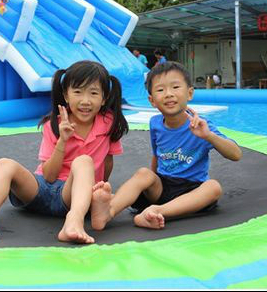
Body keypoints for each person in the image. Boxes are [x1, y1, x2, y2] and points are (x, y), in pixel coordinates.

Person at [0, 60, 128, 244]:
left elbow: (107, 162)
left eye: (93, 93)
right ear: (66, 95)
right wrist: (63, 141)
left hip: (71, 196)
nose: (85, 101)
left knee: (83, 161)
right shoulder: (53, 124)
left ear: (104, 98)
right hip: (41, 190)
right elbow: (49, 176)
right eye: (77, 92)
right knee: (4, 164)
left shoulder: (108, 123)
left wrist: (95, 191)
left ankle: (74, 220)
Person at [90, 61, 242, 231]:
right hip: (163, 187)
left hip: (192, 189)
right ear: (152, 100)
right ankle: (107, 211)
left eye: (175, 87)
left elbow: (236, 154)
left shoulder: (201, 126)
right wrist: (148, 184)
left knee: (213, 187)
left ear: (189, 93)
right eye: (161, 90)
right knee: (144, 174)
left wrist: (209, 136)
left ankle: (157, 211)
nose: (169, 94)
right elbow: (157, 156)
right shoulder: (155, 123)